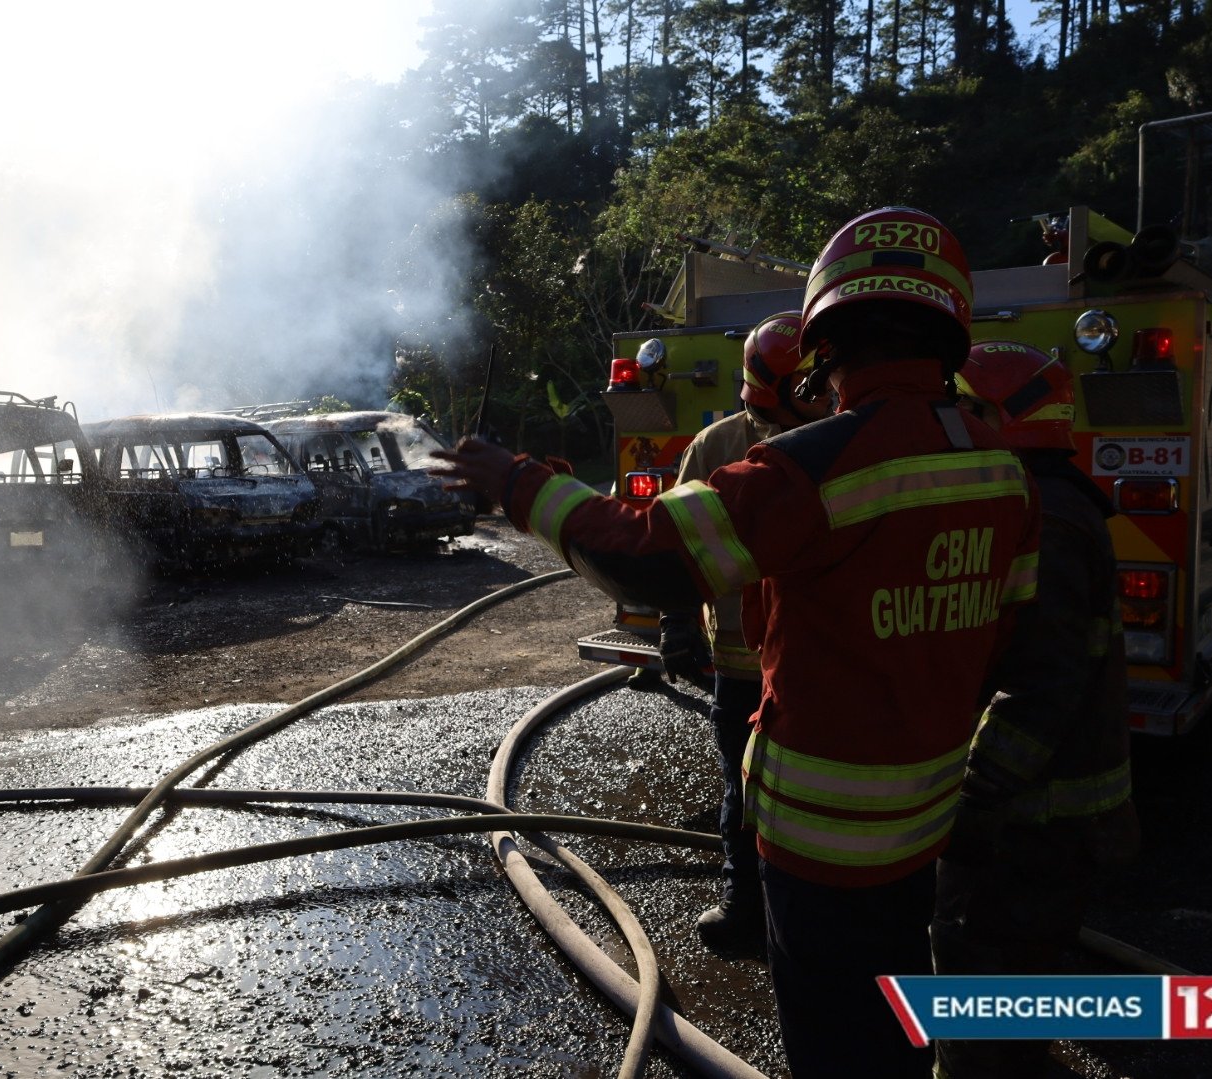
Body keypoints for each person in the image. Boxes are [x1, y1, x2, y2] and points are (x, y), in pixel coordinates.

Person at [435, 206, 1040, 1079]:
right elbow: (1003, 640)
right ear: (948, 332)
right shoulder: (1001, 470)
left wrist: (523, 484)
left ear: (826, 342)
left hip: (819, 848)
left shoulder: (815, 465)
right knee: (899, 1027)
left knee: (837, 1045)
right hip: (924, 829)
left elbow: (649, 554)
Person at [932, 341, 1140, 1079]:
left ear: (1000, 416)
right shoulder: (1050, 501)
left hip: (1028, 818)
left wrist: (975, 793)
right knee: (1019, 973)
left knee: (977, 964)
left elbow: (1042, 685)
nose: (949, 420)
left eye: (963, 405)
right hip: (1050, 816)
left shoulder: (1045, 520)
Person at [657, 310, 832, 955]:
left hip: (809, 659)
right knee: (745, 792)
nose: (820, 397)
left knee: (804, 793)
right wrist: (678, 627)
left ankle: (789, 913)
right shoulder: (720, 448)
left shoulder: (838, 441)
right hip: (752, 667)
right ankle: (752, 911)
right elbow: (675, 548)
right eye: (808, 386)